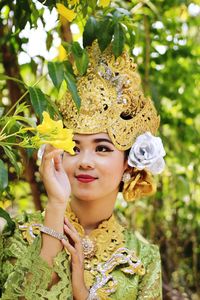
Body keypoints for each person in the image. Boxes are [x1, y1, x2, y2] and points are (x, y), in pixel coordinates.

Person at [0, 41, 165, 299]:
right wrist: (55, 207)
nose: (85, 161)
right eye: (74, 148)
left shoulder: (142, 259)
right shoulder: (18, 232)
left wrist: (82, 293)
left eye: (102, 149)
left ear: (128, 162)